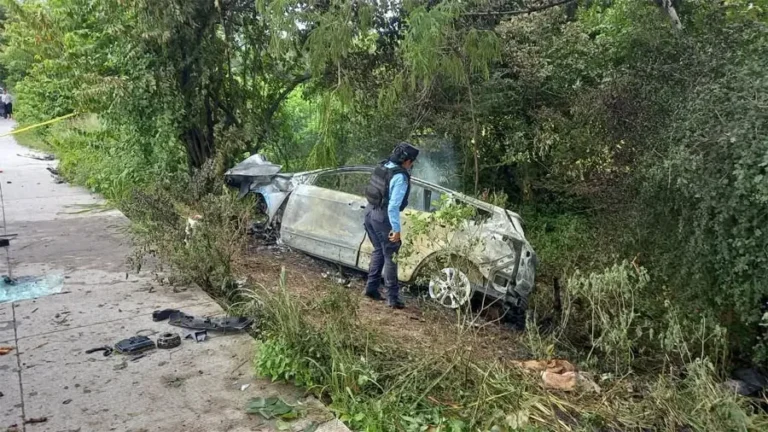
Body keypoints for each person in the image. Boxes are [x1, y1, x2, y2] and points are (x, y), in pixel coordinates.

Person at [363, 142, 420, 309]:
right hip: (383, 218)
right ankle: (392, 298)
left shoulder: (383, 166)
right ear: (407, 161)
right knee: (391, 256)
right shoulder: (400, 177)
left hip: (369, 213)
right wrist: (396, 230)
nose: (412, 165)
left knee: (379, 250)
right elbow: (393, 206)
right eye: (412, 161)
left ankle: (371, 288)